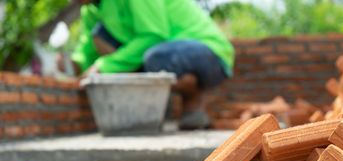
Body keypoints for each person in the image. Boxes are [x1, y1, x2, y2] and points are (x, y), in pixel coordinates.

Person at [57, 0, 234, 129]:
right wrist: (75, 64)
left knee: (155, 59)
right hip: (160, 52)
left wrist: (104, 66)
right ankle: (147, 108)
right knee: (100, 35)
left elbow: (153, 36)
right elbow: (87, 48)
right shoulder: (90, 8)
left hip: (209, 53)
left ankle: (192, 101)